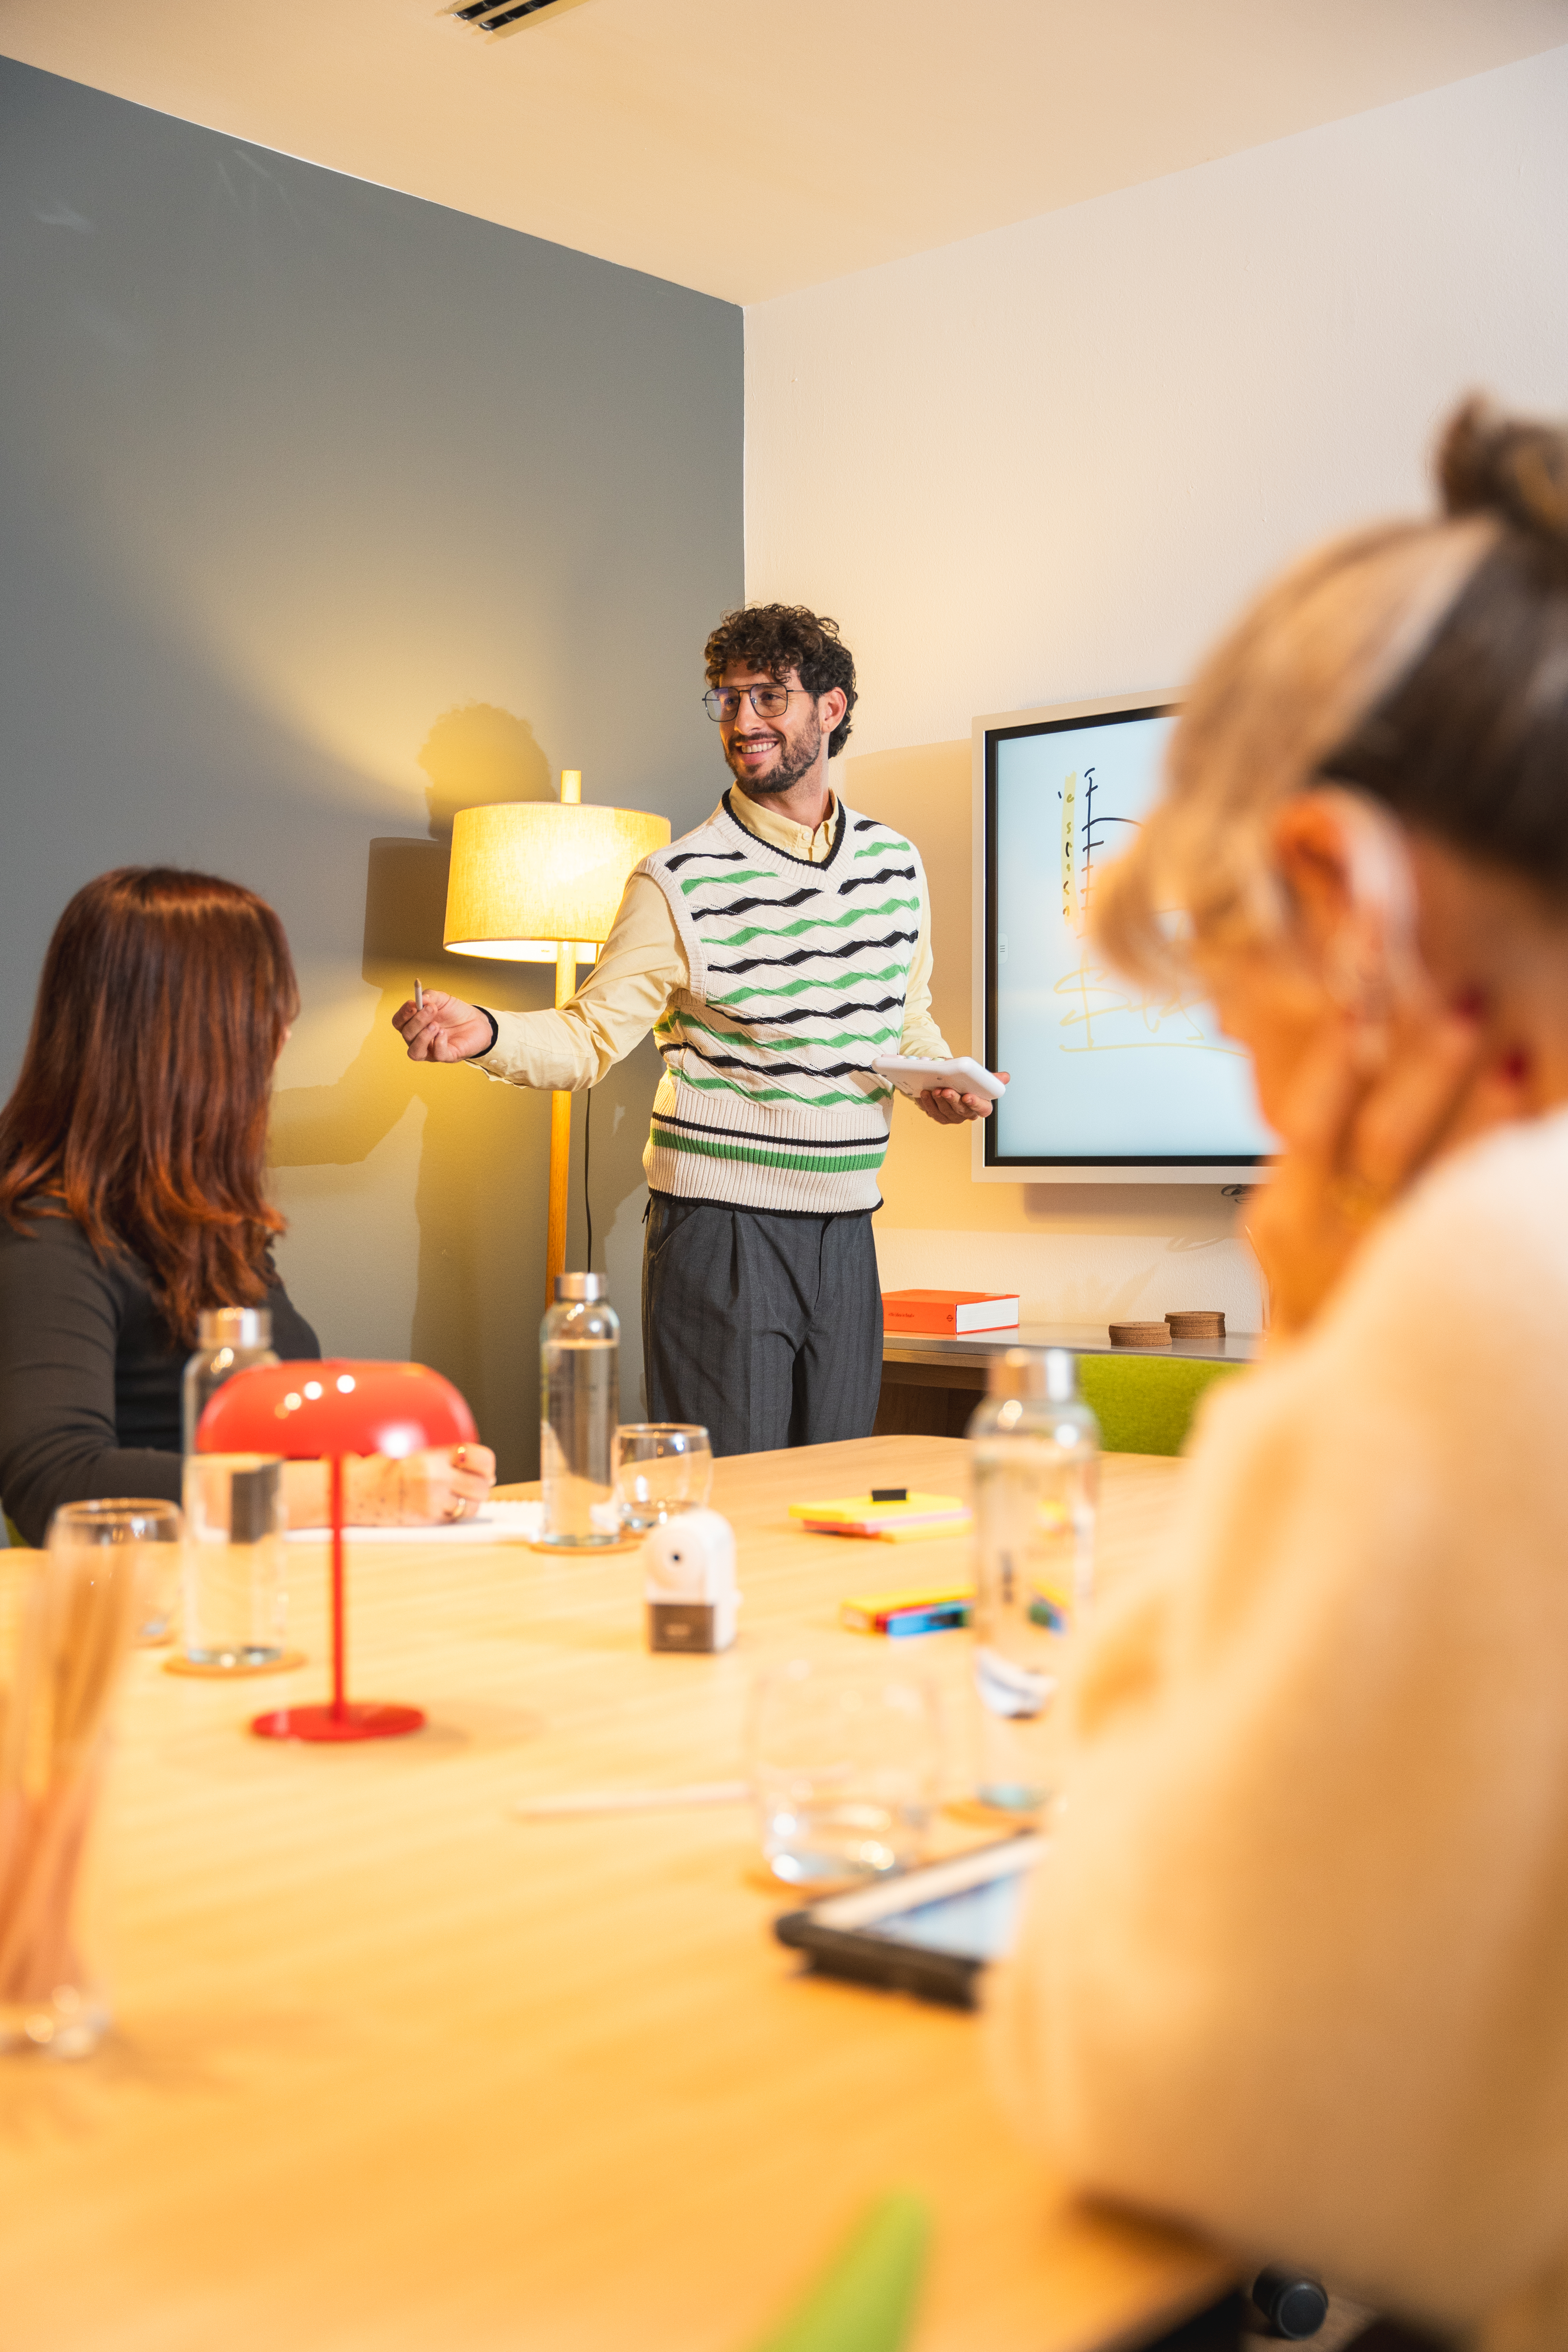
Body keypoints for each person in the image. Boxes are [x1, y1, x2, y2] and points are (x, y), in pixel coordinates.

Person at [993, 400, 1568, 2346]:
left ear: (1340, 897)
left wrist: (1314, 1337)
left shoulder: (1508, 1277)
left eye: (1235, 1017)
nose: (1257, 1120)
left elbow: (1155, 2066)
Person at [394, 604, 1004, 1456]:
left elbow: (904, 1014)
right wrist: (487, 1032)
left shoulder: (894, 864)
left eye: (768, 698)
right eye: (726, 700)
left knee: (833, 1486)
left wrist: (939, 1079)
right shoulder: (677, 879)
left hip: (847, 1225)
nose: (742, 722)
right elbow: (589, 1037)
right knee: (734, 1501)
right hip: (721, 1229)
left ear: (829, 709)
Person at [0, 868, 494, 1545]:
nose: (282, 1036)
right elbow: (55, 1482)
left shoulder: (199, 1214)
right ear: (183, 1033)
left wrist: (407, 1463)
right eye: (262, 1010)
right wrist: (362, 1491)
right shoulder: (48, 1229)